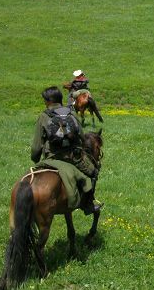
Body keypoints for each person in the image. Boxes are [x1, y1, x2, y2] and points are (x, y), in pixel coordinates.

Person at [32, 86, 102, 214]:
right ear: (60, 99)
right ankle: (88, 204)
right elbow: (81, 136)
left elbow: (37, 146)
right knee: (93, 172)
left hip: (51, 158)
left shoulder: (43, 116)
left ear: (47, 101)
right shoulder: (71, 113)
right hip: (72, 157)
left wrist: (35, 159)